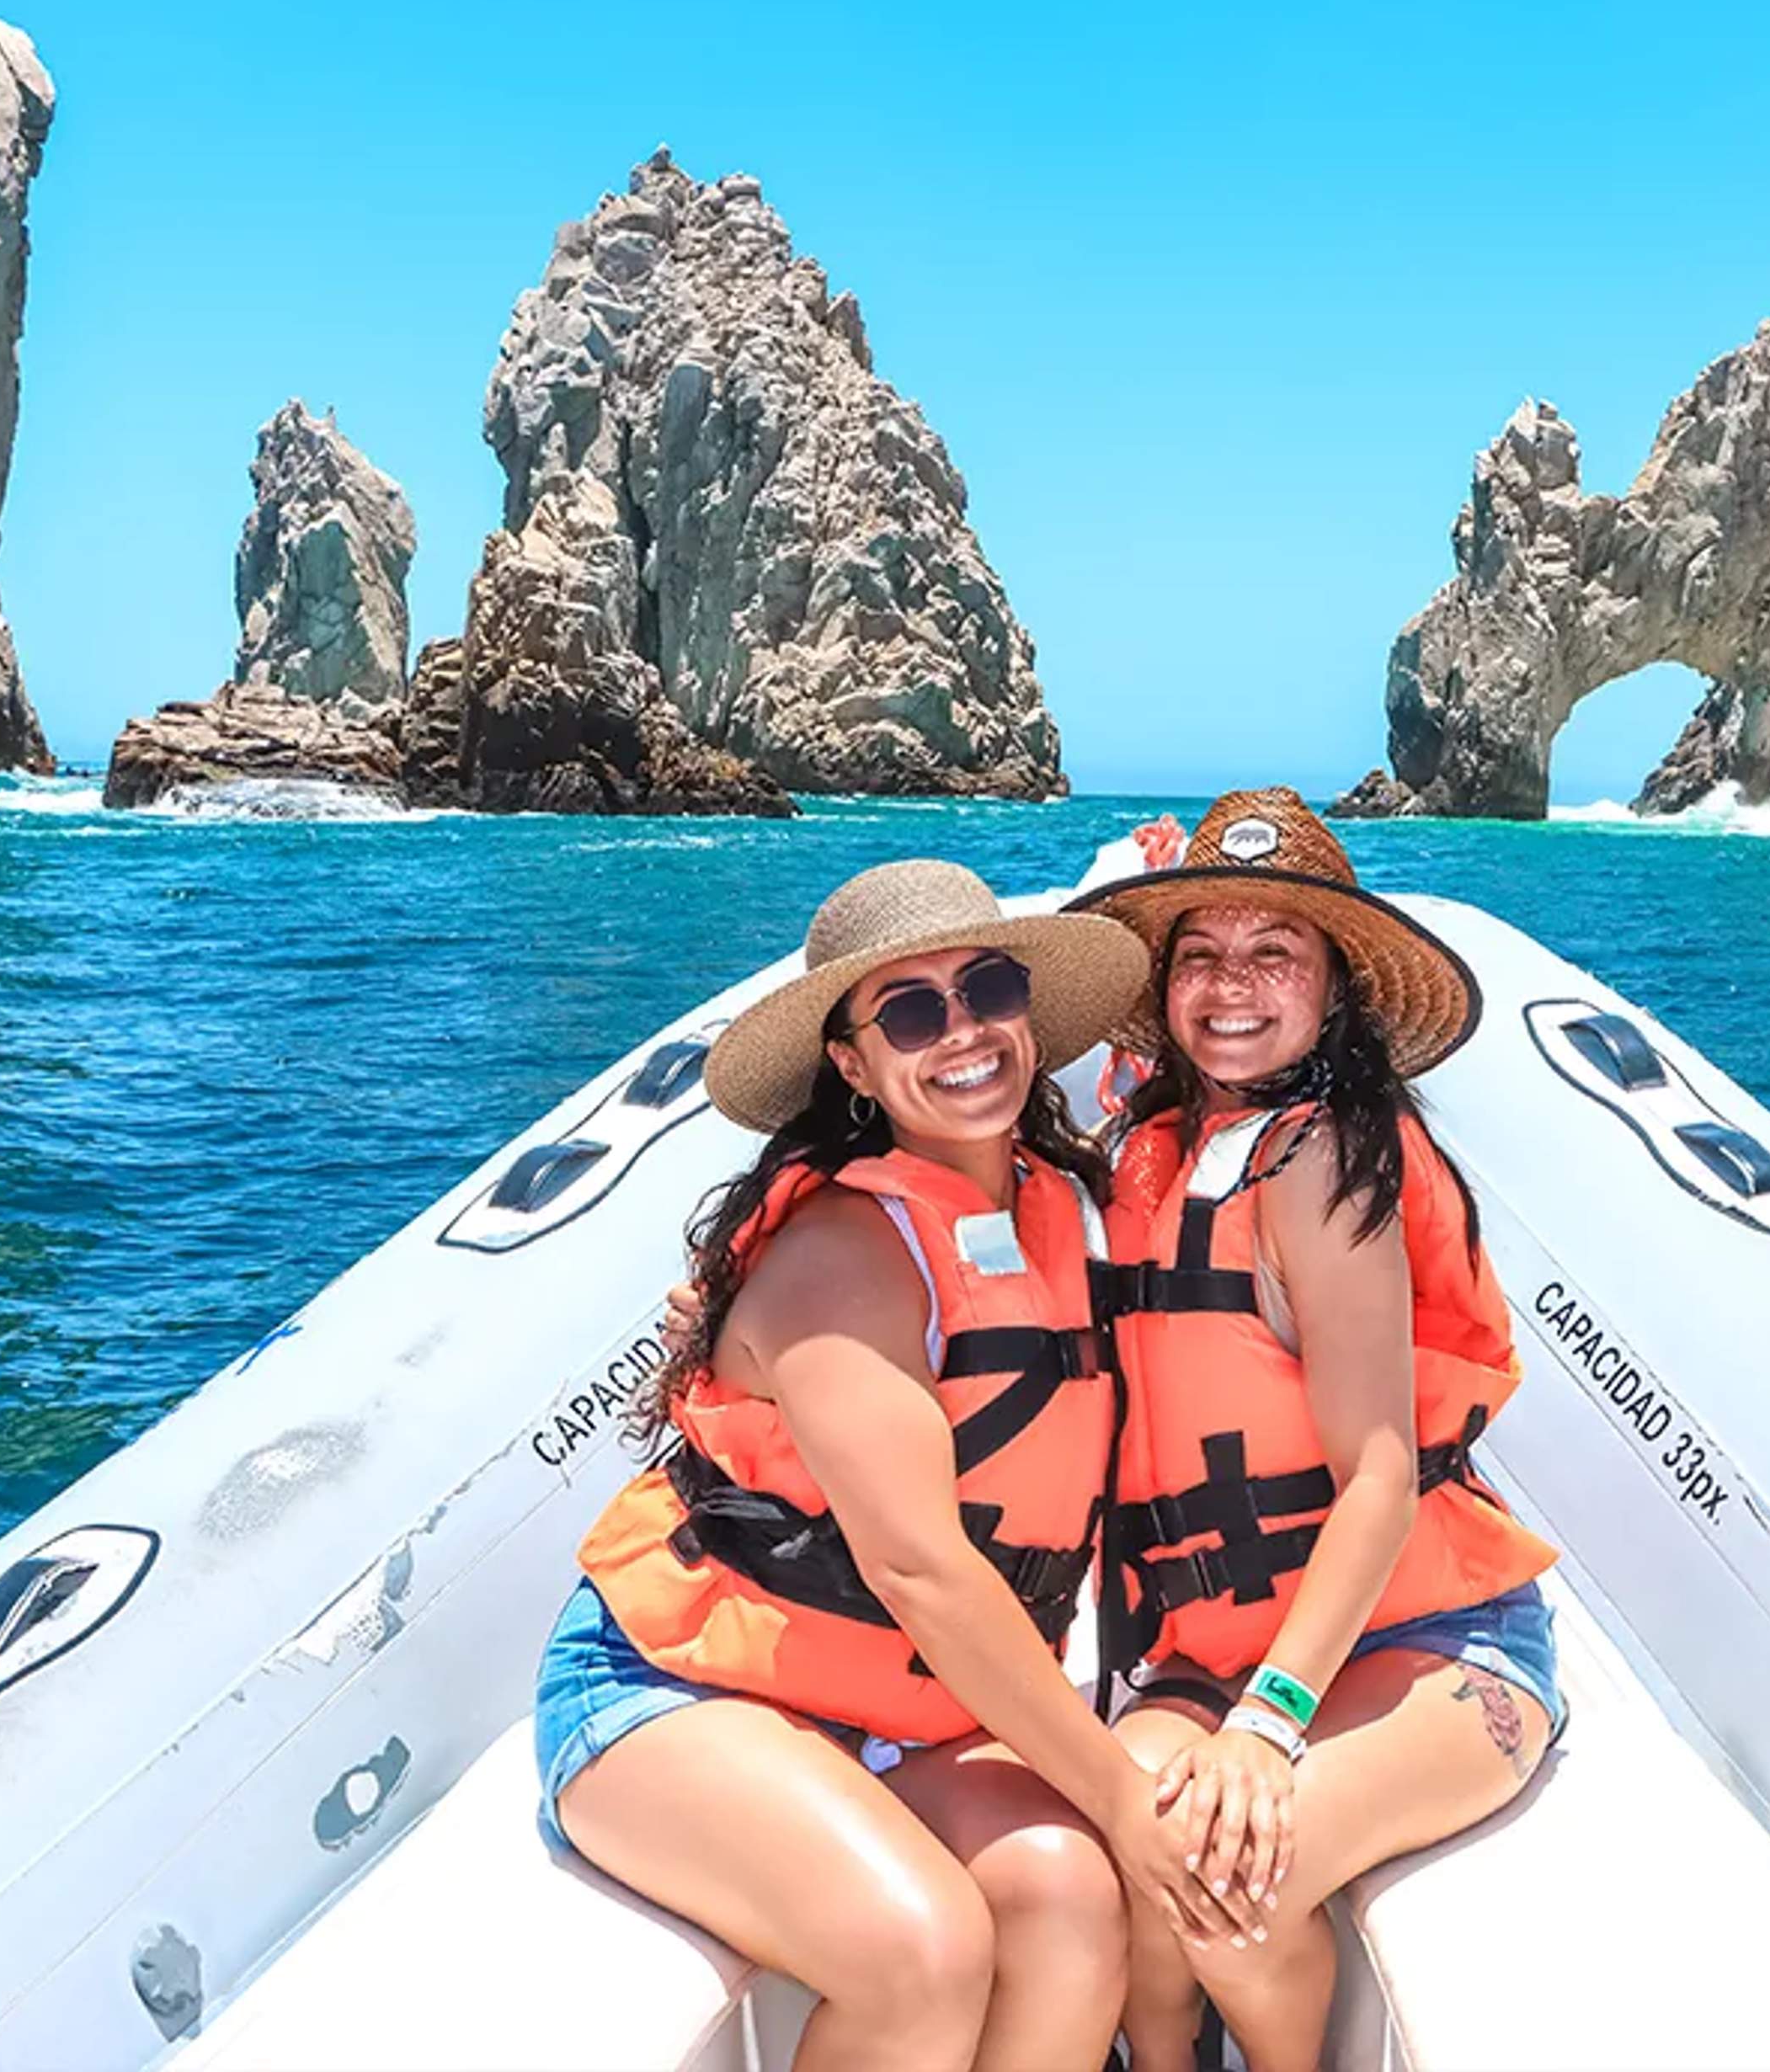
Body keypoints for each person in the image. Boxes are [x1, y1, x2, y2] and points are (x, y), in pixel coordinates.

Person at [538, 860, 1245, 2071]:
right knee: (922, 1952)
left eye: (989, 988)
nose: (961, 1029)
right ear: (855, 1067)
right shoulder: (843, 1254)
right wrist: (1130, 1802)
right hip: (680, 1693)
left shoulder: (1059, 1209)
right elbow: (922, 1572)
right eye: (911, 1012)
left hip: (900, 1713)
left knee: (1073, 1900)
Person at [1076, 790, 1565, 2072]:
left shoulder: (1328, 1162)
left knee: (1229, 1877)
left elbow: (1383, 1478)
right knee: (1114, 1854)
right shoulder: (1155, 1150)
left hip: (1427, 1642)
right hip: (1208, 1649)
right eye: (1203, 956)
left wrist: (1269, 1720)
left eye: (1274, 955)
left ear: (1336, 990)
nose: (1233, 987)